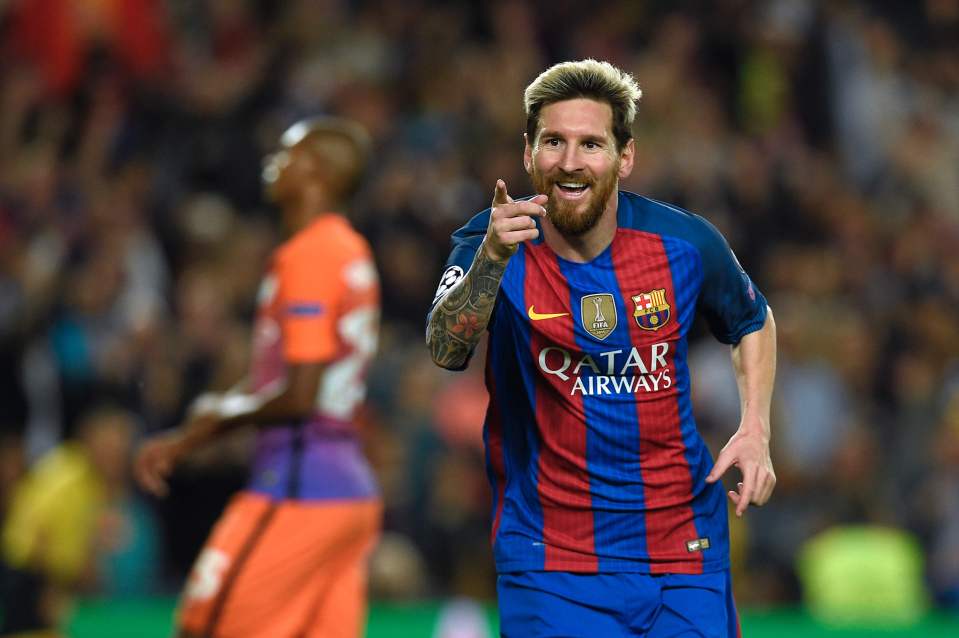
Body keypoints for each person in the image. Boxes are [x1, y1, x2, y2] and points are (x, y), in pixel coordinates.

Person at [427, 59, 777, 637]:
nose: (569, 161)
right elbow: (445, 347)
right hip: (552, 558)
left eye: (591, 143)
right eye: (553, 142)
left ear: (625, 156)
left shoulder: (684, 243)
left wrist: (755, 428)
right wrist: (488, 263)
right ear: (527, 153)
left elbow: (752, 319)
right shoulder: (491, 243)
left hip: (683, 551)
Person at [135, 117, 382, 638]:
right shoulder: (350, 250)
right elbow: (290, 378)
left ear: (316, 172)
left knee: (205, 627)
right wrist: (194, 436)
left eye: (287, 154)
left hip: (297, 487)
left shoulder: (309, 254)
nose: (274, 163)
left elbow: (300, 394)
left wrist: (219, 414)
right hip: (347, 491)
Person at [1, 404, 134, 637]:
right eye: (110, 446)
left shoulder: (89, 481)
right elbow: (36, 536)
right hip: (28, 578)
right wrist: (47, 589)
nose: (117, 455)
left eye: (121, 448)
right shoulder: (67, 477)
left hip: (49, 580)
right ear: (90, 440)